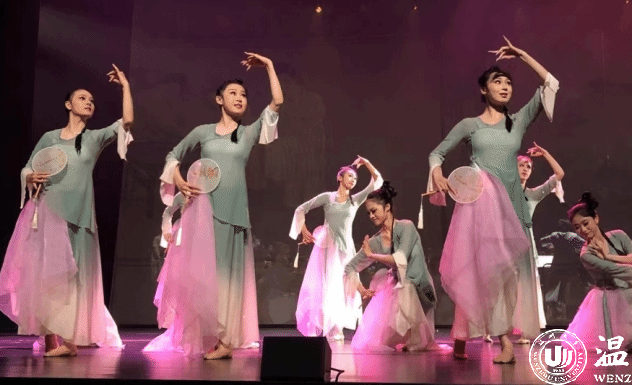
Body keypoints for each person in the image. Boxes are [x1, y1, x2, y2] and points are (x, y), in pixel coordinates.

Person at [427, 36, 559, 362]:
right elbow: (436, 153)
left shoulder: (518, 121)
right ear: (483, 90)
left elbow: (551, 83)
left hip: (511, 206)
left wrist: (523, 55)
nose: (505, 87)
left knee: (503, 274)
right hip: (480, 206)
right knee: (482, 270)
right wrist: (437, 173)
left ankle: (470, 338)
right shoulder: (470, 125)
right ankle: (497, 342)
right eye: (497, 82)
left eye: (508, 83)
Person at [144, 52, 282, 359]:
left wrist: (270, 66)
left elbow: (277, 103)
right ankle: (207, 335)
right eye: (233, 93)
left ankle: (225, 341)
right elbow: (173, 155)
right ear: (219, 99)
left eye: (243, 94)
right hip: (204, 213)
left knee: (229, 279)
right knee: (204, 277)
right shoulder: (203, 131)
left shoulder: (248, 133)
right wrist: (179, 180)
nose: (239, 98)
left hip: (235, 214)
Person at [0, 65, 133, 357]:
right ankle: (49, 340)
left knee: (75, 279)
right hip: (49, 213)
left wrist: (125, 86)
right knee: (47, 276)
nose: (89, 102)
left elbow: (128, 121)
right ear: (68, 105)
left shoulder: (94, 138)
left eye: (92, 100)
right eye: (82, 98)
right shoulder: (50, 138)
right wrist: (30, 177)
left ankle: (70, 341)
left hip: (79, 216)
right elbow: (29, 167)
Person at [566, 192, 632, 354]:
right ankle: (631, 342)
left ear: (596, 218)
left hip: (631, 290)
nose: (583, 230)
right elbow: (617, 270)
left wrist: (609, 256)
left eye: (586, 223)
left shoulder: (618, 235)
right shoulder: (587, 254)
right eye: (577, 227)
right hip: (610, 296)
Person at [289, 157, 382, 340]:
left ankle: (337, 325)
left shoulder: (355, 200)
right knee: (328, 286)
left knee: (344, 286)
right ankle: (327, 325)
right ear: (339, 177)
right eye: (350, 176)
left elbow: (377, 181)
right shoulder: (328, 197)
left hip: (346, 249)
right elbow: (301, 209)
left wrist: (366, 163)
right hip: (328, 249)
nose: (353, 180)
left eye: (355, 178)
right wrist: (304, 230)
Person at [345, 182, 437, 352]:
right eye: (369, 213)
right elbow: (350, 267)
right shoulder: (375, 241)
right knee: (400, 285)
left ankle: (414, 338)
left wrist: (372, 255)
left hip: (423, 288)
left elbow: (400, 259)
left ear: (387, 207)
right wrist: (361, 289)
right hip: (402, 289)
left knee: (405, 285)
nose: (371, 216)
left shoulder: (407, 227)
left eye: (374, 211)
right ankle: (402, 339)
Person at [511, 143, 564, 342]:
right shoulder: (503, 191)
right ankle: (494, 329)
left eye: (529, 166)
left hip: (525, 244)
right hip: (504, 242)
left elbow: (559, 174)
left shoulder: (533, 194)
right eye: (521, 165)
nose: (525, 169)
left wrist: (546, 153)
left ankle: (525, 330)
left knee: (526, 287)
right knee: (502, 286)